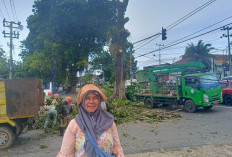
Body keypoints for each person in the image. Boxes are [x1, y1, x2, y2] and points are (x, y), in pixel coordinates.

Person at [57, 83, 124, 157]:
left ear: (99, 100)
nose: (91, 101)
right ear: (82, 101)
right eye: (87, 98)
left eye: (95, 98)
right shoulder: (74, 124)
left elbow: (117, 148)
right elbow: (66, 153)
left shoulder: (109, 122)